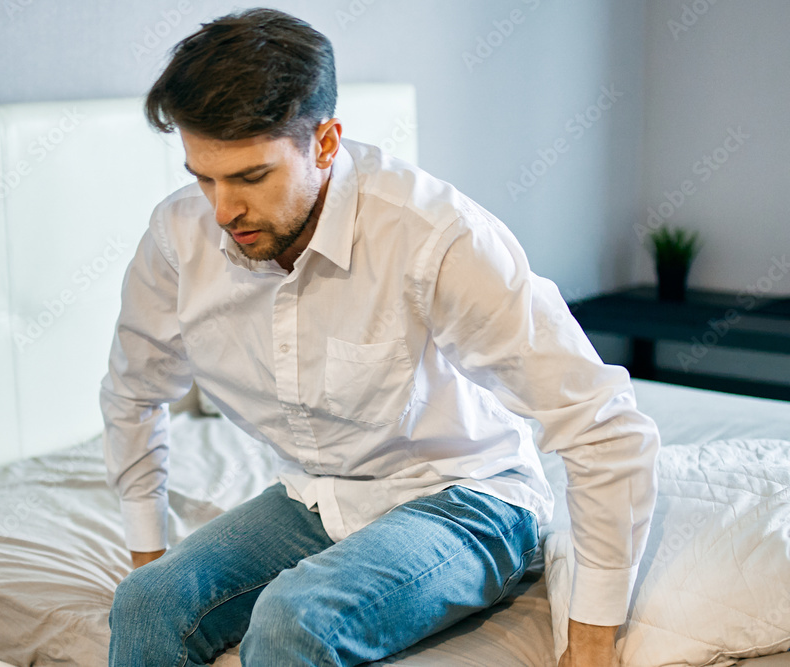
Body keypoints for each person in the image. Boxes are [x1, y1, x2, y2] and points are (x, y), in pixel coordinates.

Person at [99, 7, 659, 667]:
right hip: (316, 492)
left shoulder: (436, 237)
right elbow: (133, 393)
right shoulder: (178, 237)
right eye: (204, 177)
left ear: (327, 142)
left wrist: (592, 643)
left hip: (467, 494)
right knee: (143, 600)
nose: (223, 212)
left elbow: (605, 428)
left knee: (292, 621)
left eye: (252, 177)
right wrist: (151, 560)